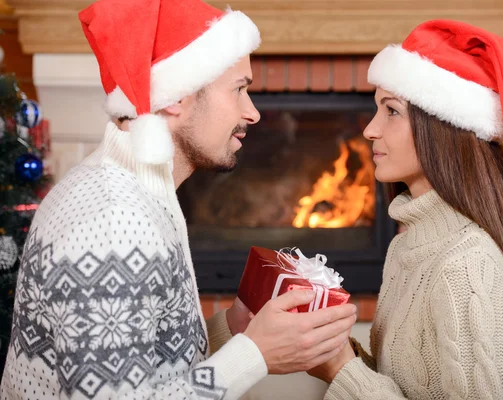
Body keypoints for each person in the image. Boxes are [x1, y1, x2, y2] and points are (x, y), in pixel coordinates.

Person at [0, 0, 356, 398]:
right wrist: (254, 355)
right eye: (239, 89)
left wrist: (233, 331)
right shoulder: (113, 224)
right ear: (175, 97)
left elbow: (147, 363)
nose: (252, 112)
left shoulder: (140, 192)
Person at [307, 19, 503, 400]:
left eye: (391, 111)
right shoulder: (406, 248)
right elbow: (411, 384)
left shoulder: (467, 266)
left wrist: (343, 371)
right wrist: (340, 358)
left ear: (442, 129)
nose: (370, 130)